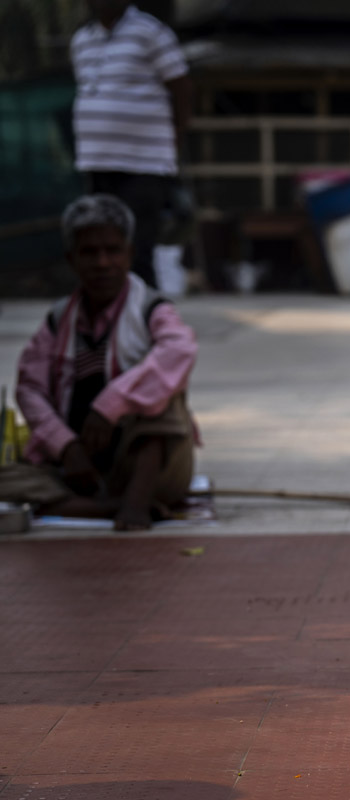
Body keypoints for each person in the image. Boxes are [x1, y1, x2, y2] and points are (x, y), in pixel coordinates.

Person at [0, 195, 198, 531]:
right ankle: (107, 508)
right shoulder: (59, 318)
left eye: (113, 250)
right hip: (79, 469)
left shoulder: (152, 309)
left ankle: (135, 503)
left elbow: (180, 351)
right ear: (71, 259)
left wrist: (109, 407)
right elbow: (30, 388)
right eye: (89, 253)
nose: (102, 263)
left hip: (144, 466)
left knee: (164, 400)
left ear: (130, 254)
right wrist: (66, 446)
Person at [70, 0, 192, 289]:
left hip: (143, 160)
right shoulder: (81, 40)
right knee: (102, 245)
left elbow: (182, 87)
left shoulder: (150, 32)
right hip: (97, 160)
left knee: (137, 247)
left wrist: (175, 137)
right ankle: (109, 321)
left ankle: (145, 321)